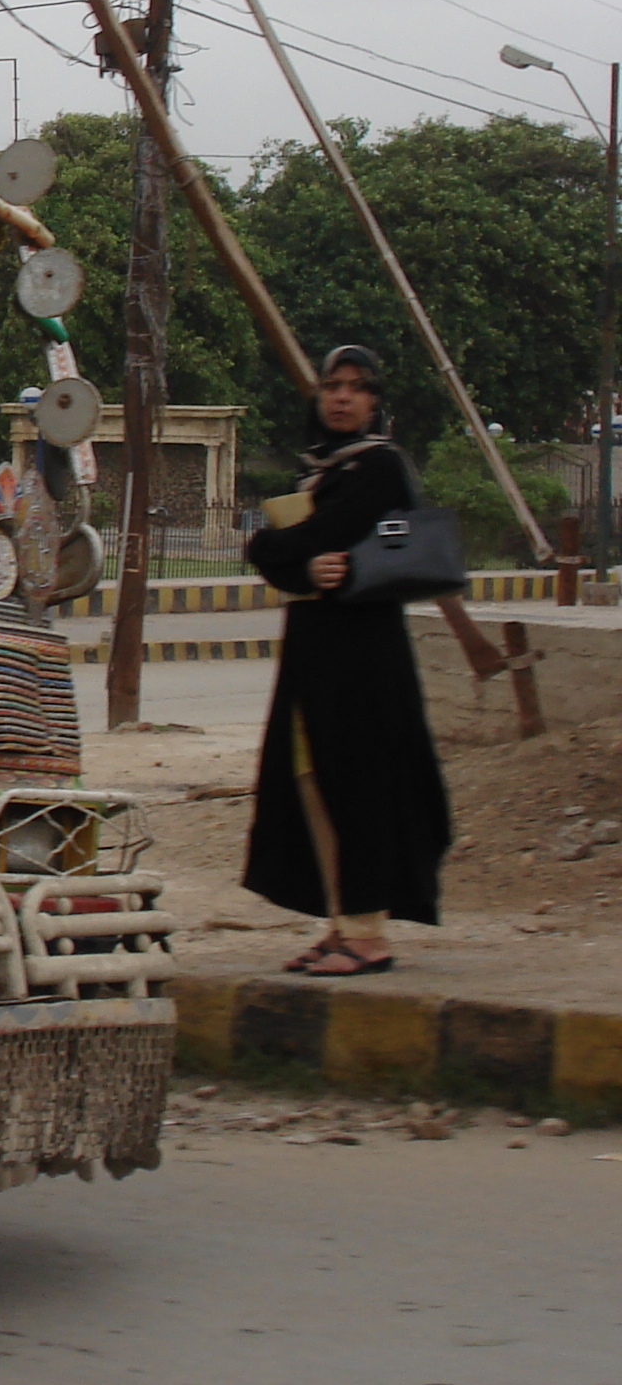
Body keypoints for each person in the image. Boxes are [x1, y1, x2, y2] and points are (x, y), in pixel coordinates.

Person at [240, 343, 453, 977]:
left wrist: (277, 548)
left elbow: (310, 539)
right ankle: (339, 923)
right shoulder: (323, 473)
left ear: (374, 402)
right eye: (333, 385)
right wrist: (296, 560)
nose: (342, 397)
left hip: (364, 659)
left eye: (358, 387)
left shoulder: (380, 468)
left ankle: (367, 934)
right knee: (311, 779)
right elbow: (298, 551)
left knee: (358, 782)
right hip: (316, 654)